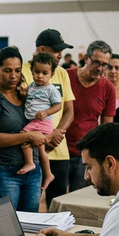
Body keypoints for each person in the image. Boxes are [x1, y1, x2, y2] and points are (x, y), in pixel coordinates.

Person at [0, 46, 46, 211]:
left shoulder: (26, 95)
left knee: (29, 228)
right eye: (7, 70)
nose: (13, 76)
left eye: (17, 70)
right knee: (5, 232)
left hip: (32, 171)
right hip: (2, 172)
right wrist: (29, 137)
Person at [20, 29, 75, 209]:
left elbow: (68, 110)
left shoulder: (61, 73)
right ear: (42, 49)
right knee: (28, 207)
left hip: (58, 148)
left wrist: (56, 133)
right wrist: (40, 137)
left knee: (57, 208)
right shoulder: (22, 71)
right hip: (30, 149)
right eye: (56, 50)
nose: (60, 55)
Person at [66, 40, 117, 191]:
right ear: (86, 58)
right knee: (55, 199)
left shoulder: (108, 88)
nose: (100, 68)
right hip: (58, 150)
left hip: (85, 154)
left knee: (78, 199)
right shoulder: (66, 77)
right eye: (96, 63)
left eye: (104, 65)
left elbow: (106, 128)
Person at [19, 52, 62, 190]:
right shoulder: (32, 86)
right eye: (36, 72)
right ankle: (48, 174)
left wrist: (46, 112)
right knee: (41, 150)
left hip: (43, 123)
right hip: (35, 121)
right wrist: (24, 95)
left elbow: (58, 105)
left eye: (44, 73)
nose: (40, 76)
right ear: (31, 71)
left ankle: (30, 162)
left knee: (23, 136)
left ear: (52, 74)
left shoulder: (51, 90)